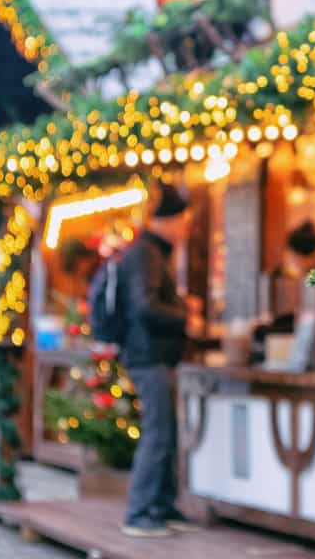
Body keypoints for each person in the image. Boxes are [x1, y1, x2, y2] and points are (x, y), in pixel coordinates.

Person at [119, 183, 197, 538]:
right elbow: (144, 306)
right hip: (148, 357)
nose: (185, 229)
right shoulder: (145, 254)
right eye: (183, 221)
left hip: (156, 356)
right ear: (168, 221)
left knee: (165, 433)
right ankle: (140, 512)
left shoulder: (152, 253)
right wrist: (185, 316)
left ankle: (162, 506)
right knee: (158, 433)